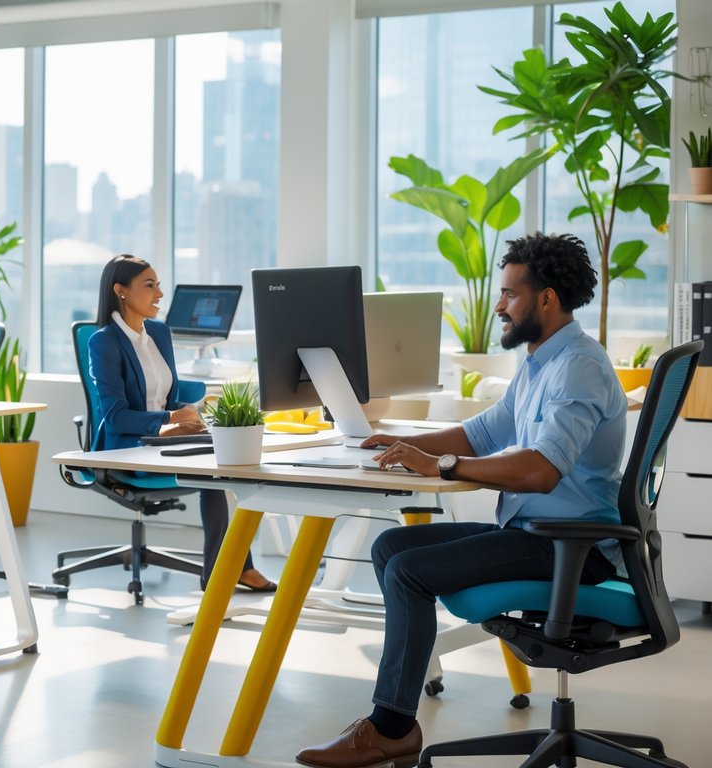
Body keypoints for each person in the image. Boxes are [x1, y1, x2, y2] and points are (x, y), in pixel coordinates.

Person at [295, 232, 626, 768]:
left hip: (569, 548)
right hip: (532, 533)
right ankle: (398, 712)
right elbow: (481, 433)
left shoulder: (579, 367)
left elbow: (542, 470)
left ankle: (391, 726)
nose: (499, 306)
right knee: (391, 548)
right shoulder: (542, 363)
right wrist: (405, 446)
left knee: (408, 572)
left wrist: (441, 466)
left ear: (546, 299)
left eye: (509, 295)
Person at [88, 255, 276, 593]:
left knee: (233, 460)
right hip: (128, 448)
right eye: (150, 285)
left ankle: (234, 568)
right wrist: (170, 420)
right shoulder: (104, 341)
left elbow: (168, 395)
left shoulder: (158, 332)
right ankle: (221, 576)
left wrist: (190, 415)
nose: (160, 293)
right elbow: (114, 416)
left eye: (159, 284)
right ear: (121, 291)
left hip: (165, 439)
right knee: (214, 476)